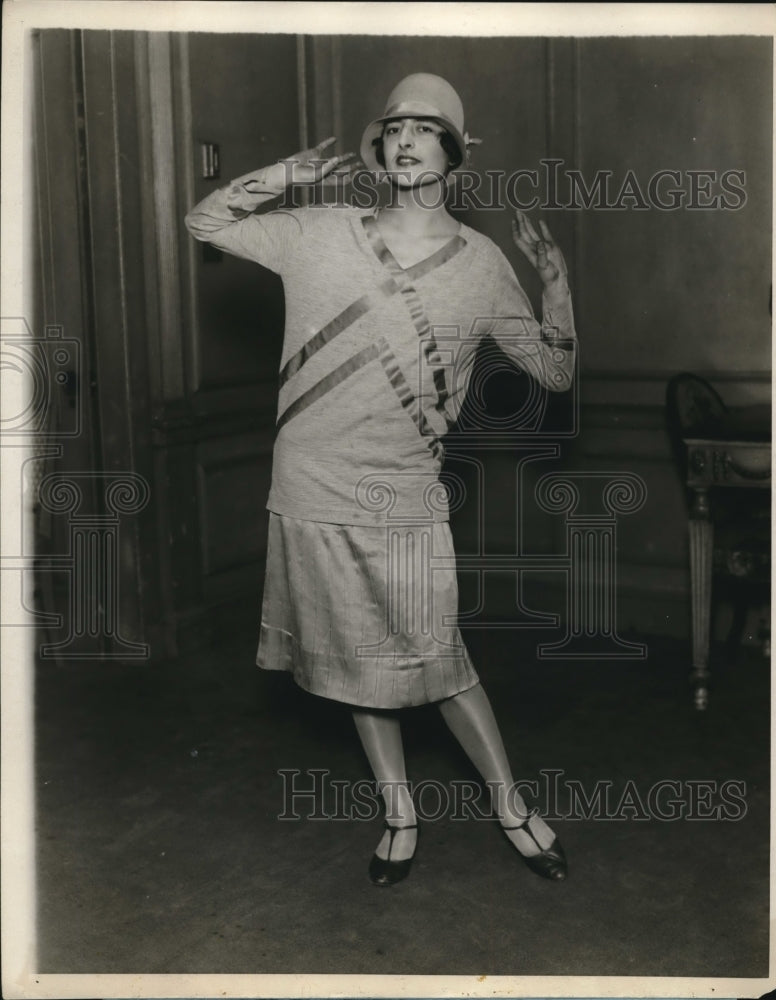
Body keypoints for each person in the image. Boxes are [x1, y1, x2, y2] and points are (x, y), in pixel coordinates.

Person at [185, 73, 576, 886]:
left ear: (453, 152)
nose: (403, 138)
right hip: (312, 482)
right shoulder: (317, 231)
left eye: (423, 129)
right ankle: (398, 812)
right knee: (352, 657)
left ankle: (508, 804)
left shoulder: (481, 263)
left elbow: (553, 373)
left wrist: (557, 286)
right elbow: (204, 219)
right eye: (392, 126)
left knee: (438, 657)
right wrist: (288, 176)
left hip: (403, 487)